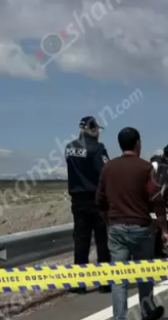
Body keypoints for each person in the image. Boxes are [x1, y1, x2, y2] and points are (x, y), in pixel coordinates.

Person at [96, 127, 168, 320]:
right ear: (137, 143)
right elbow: (156, 200)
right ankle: (147, 312)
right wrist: (165, 229)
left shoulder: (108, 168)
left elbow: (100, 201)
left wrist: (108, 222)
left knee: (119, 279)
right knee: (144, 273)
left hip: (117, 228)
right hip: (141, 228)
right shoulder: (145, 168)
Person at [65, 116, 112, 294]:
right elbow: (106, 171)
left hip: (78, 200)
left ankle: (79, 283)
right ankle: (105, 282)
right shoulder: (98, 148)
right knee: (102, 241)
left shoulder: (69, 148)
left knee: (80, 241)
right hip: (96, 199)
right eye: (97, 129)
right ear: (92, 129)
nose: (98, 133)